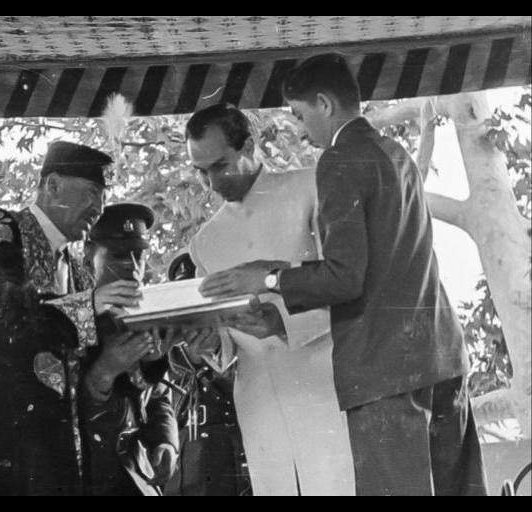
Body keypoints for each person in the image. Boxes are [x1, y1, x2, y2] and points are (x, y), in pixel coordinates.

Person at [199, 54, 488, 496]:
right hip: (442, 355)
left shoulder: (337, 161)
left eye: (300, 115)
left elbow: (344, 277)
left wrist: (270, 278)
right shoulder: (396, 153)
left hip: (384, 369)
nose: (300, 130)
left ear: (324, 104)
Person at [0, 141, 143, 496]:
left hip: (52, 466)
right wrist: (87, 307)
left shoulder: (79, 274)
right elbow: (7, 317)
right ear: (52, 185)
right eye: (91, 192)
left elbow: (92, 369)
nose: (99, 208)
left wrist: (152, 346)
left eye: (103, 196)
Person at [185, 103, 355, 495]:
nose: (211, 182)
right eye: (201, 171)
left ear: (249, 146)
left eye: (220, 165)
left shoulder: (311, 188)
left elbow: (348, 283)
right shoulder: (205, 243)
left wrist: (284, 323)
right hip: (260, 405)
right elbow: (223, 338)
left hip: (326, 387)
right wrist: (210, 345)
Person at [80, 203, 179, 496]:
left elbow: (159, 397)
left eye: (140, 255)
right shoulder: (67, 319)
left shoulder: (147, 316)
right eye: (118, 255)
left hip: (137, 479)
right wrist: (103, 372)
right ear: (88, 256)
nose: (133, 266)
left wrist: (165, 441)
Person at [162, 250, 252, 496]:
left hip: (238, 460)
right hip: (186, 469)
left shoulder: (243, 331)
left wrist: (214, 355)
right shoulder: (169, 351)